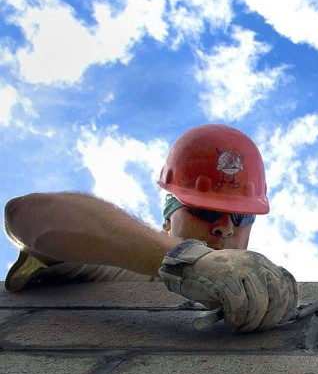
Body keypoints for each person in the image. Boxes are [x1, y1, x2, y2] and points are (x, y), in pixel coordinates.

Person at [3, 124, 298, 332]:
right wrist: (188, 259)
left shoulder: (260, 297)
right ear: (168, 218)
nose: (225, 228)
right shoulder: (118, 266)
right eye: (204, 211)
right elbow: (27, 214)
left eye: (241, 217)